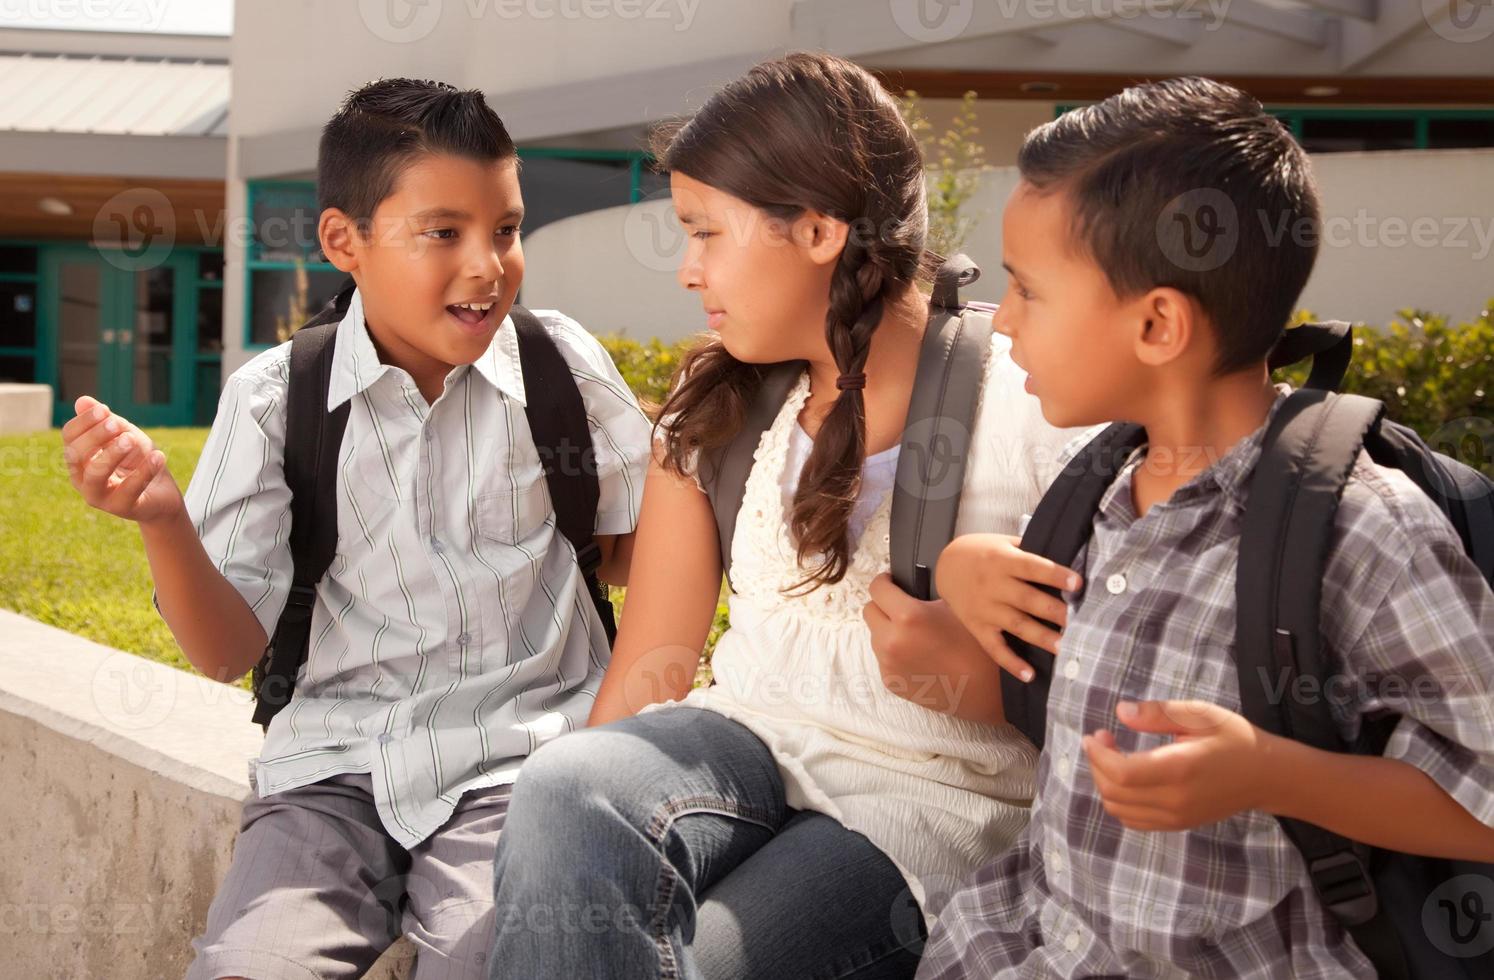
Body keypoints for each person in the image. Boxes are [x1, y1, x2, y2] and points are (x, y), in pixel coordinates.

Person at [485, 52, 1078, 980]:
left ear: (816, 231)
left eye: (706, 233)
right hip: (745, 747)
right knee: (567, 788)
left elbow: (1124, 673)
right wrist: (544, 871)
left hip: (926, 804)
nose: (688, 271)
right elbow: (654, 670)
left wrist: (978, 670)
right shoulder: (719, 407)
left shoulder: (1033, 403)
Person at [60, 77, 651, 980]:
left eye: (506, 228)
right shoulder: (273, 402)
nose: (489, 265)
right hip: (331, 775)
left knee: (505, 959)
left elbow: (641, 562)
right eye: (443, 233)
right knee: (250, 967)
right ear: (345, 241)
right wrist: (162, 517)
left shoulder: (558, 364)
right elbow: (225, 651)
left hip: (521, 767)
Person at [922, 76, 1494, 978]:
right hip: (1020, 944)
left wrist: (1271, 773)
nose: (1005, 326)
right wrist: (961, 568)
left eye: (1028, 291)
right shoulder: (1099, 488)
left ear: (1157, 324)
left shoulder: (1361, 532)